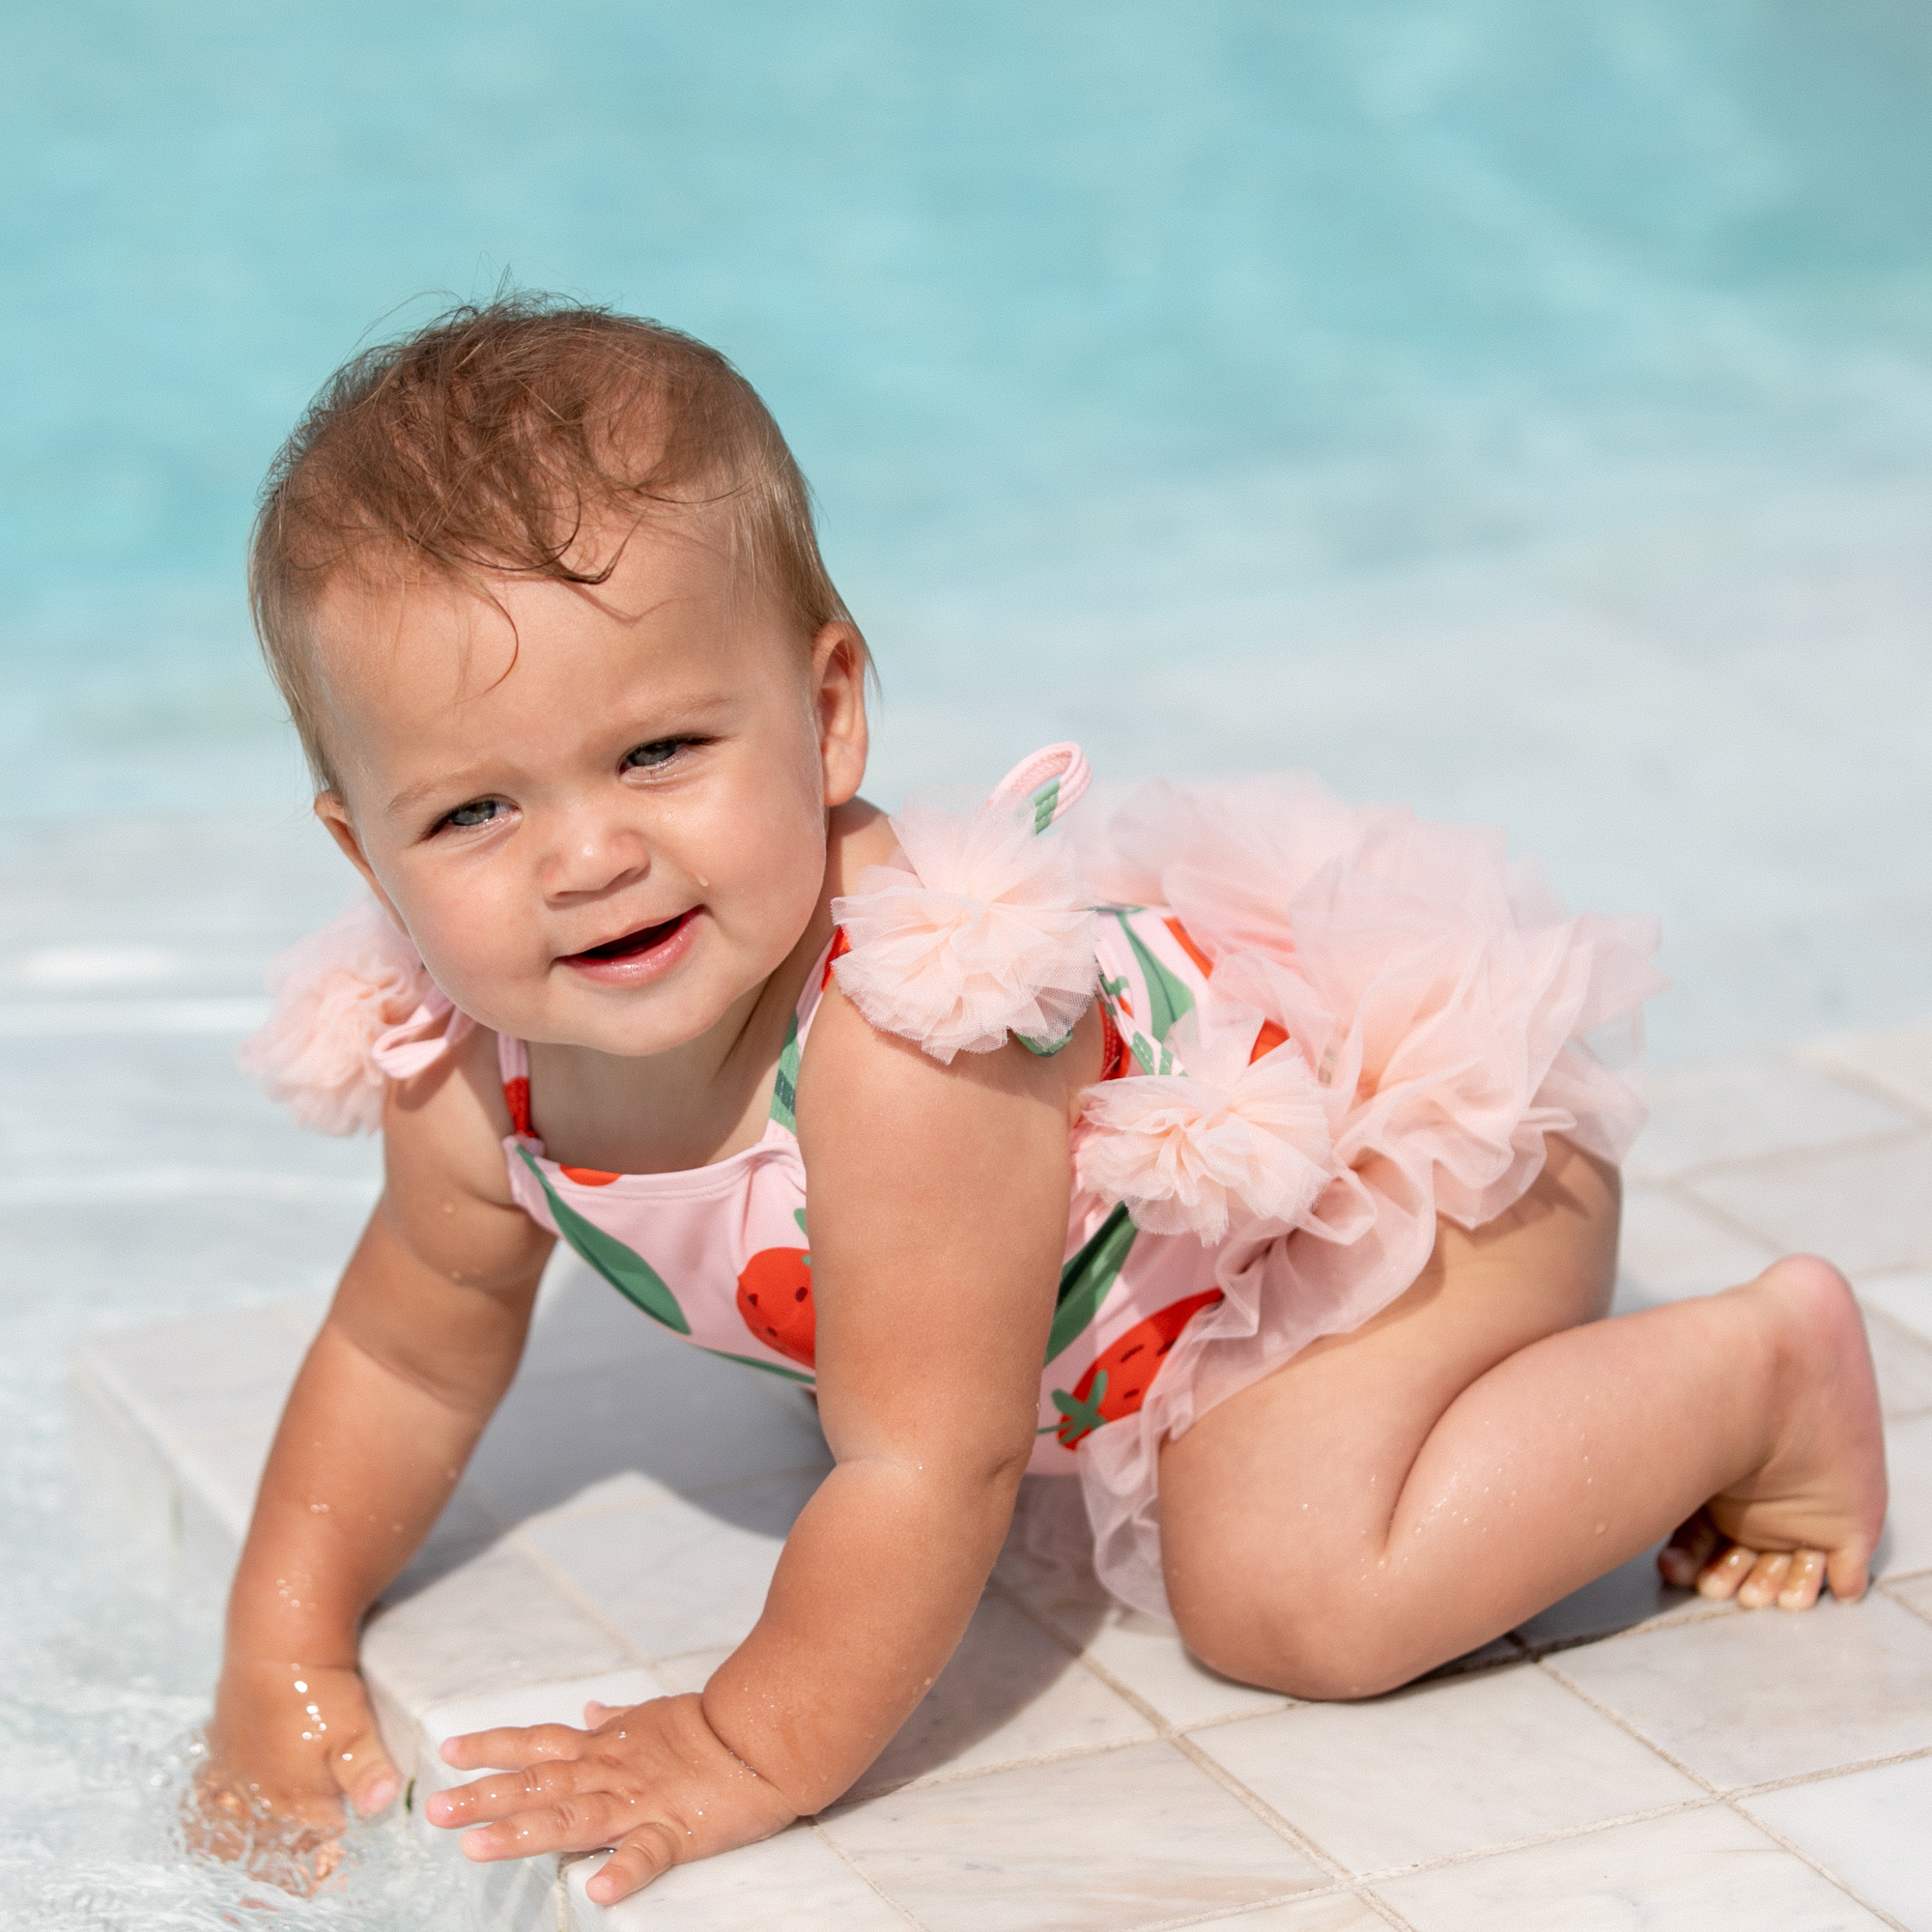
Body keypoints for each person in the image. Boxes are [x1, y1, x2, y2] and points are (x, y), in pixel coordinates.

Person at [202, 296, 1887, 1905]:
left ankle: (1760, 1371)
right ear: (365, 846)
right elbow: (403, 1353)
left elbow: (929, 1467)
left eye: (657, 754)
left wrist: (740, 1744)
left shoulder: (901, 1043)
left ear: (829, 711)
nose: (588, 855)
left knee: (1288, 1593)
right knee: (896, 1361)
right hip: (1137, 1272)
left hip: (1387, 1195)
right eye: (475, 813)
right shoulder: (463, 1066)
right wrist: (279, 1642)